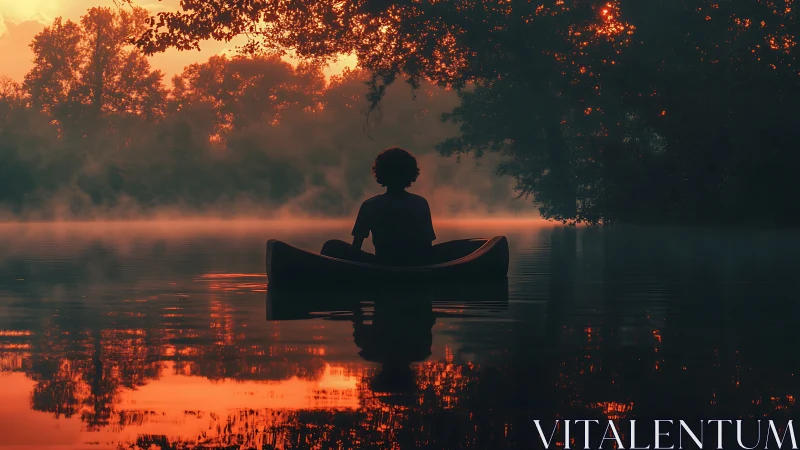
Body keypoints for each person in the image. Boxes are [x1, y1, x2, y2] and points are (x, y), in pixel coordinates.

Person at [321, 147, 436, 265]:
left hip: (382, 264)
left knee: (331, 246)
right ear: (410, 173)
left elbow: (356, 248)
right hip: (414, 264)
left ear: (381, 173)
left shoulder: (370, 205)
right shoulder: (420, 203)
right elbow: (427, 245)